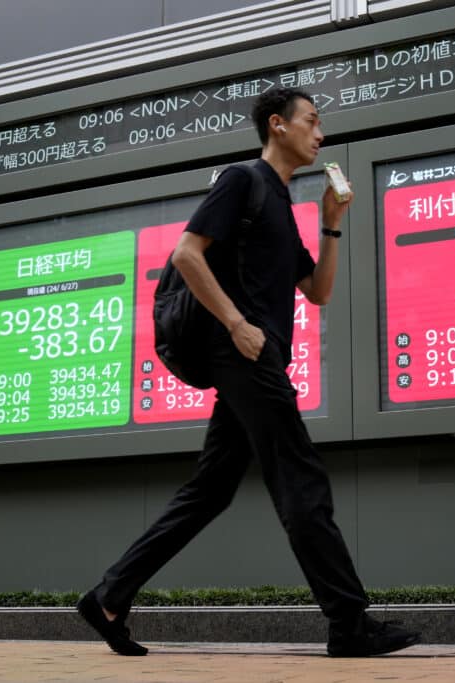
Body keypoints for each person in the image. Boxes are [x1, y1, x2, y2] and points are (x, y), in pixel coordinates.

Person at [77, 88, 421, 658]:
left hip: (253, 357)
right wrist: (237, 324)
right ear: (277, 125)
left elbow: (318, 291)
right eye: (312, 122)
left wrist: (330, 223)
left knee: (210, 491)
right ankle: (348, 622)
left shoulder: (284, 206)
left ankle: (108, 597)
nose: (321, 134)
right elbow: (188, 252)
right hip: (242, 354)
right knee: (300, 476)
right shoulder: (243, 179)